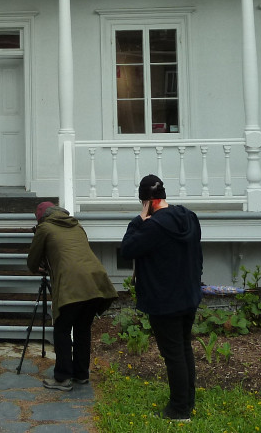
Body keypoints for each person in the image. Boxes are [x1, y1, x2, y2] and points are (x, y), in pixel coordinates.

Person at [120, 174, 203, 422]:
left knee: (173, 354)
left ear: (147, 201)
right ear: (162, 196)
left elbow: (127, 250)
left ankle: (179, 411)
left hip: (165, 301)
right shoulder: (189, 217)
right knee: (184, 348)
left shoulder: (153, 226)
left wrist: (139, 220)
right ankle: (187, 401)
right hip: (188, 295)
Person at [27, 201, 117, 391]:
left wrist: (38, 268)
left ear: (41, 217)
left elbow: (32, 261)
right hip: (95, 282)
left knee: (62, 329)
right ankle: (81, 374)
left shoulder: (44, 228)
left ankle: (62, 378)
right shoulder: (76, 225)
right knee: (83, 328)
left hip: (72, 284)